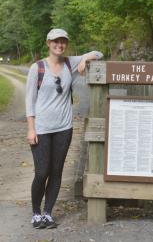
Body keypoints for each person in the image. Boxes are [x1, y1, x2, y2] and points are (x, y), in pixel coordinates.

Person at [25, 28, 103, 229]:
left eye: (63, 42)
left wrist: (85, 60)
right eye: (55, 41)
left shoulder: (70, 63)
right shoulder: (38, 68)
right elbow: (29, 100)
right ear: (48, 43)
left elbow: (98, 53)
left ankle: (48, 213)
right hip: (41, 128)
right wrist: (31, 129)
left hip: (64, 128)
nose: (59, 45)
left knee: (57, 171)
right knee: (42, 172)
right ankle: (36, 213)